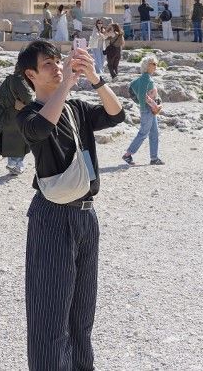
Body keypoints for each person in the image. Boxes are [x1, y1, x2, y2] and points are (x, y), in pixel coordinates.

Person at [15, 40, 124, 370]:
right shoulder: (29, 112)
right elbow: (41, 129)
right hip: (52, 218)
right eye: (47, 64)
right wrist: (65, 84)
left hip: (86, 215)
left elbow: (116, 114)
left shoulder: (76, 108)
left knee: (81, 315)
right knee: (50, 316)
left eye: (57, 60)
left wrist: (94, 77)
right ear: (31, 74)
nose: (56, 65)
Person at [0, 72, 34, 176]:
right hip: (17, 115)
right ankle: (15, 165)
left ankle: (13, 164)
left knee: (11, 141)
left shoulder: (8, 79)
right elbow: (28, 98)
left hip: (6, 115)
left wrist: (11, 103)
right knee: (19, 141)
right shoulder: (20, 81)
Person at [123, 55, 164, 165]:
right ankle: (128, 154)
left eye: (156, 64)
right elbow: (142, 96)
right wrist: (154, 106)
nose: (156, 66)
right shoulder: (145, 77)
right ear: (147, 66)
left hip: (149, 109)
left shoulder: (147, 77)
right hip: (147, 110)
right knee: (143, 133)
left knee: (154, 133)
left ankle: (154, 158)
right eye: (153, 64)